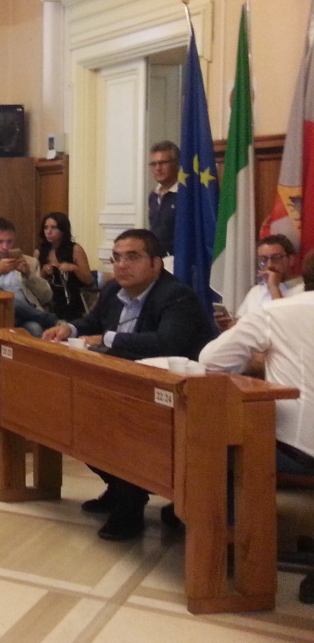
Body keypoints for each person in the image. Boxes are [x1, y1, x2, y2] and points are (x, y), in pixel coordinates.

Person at [43, 229, 216, 541]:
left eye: (132, 257)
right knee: (78, 421)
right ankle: (118, 487)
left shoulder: (177, 296)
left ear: (155, 264)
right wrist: (68, 328)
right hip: (123, 384)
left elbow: (167, 342)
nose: (122, 265)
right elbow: (91, 323)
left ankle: (130, 503)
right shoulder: (113, 290)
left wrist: (106, 338)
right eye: (117, 258)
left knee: (116, 427)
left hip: (177, 397)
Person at [199, 251, 314, 476]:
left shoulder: (276, 311)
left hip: (300, 450)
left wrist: (260, 362)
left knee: (209, 434)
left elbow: (211, 359)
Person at [215, 234, 305, 330]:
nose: (269, 265)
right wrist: (228, 326)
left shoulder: (304, 290)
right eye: (263, 260)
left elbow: (285, 325)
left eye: (276, 258)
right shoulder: (256, 291)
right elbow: (242, 326)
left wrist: (274, 287)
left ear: (291, 260)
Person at [36, 212, 94, 321]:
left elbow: (88, 279)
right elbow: (34, 281)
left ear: (63, 230)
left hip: (70, 298)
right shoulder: (39, 251)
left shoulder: (75, 249)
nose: (48, 232)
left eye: (54, 228)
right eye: (46, 228)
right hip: (47, 299)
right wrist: (44, 272)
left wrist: (74, 268)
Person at [147, 140, 179, 257]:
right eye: (153, 164)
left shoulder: (185, 195)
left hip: (181, 260)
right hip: (158, 259)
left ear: (177, 164)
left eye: (163, 163)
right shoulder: (153, 195)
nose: (158, 168)